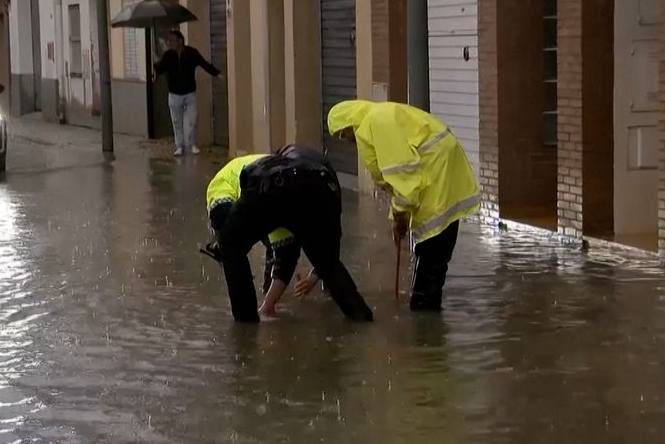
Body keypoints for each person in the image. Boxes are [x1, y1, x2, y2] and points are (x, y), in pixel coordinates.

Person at [297, 100, 479, 311]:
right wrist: (398, 215)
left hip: (438, 179)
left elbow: (405, 178)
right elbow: (401, 181)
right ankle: (428, 314)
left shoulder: (376, 123)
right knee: (433, 252)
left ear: (349, 123)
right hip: (441, 176)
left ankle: (425, 317)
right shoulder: (379, 118)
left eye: (343, 134)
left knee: (430, 253)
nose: (347, 141)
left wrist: (400, 216)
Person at [214, 147, 374, 323]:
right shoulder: (290, 164)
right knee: (328, 264)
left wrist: (224, 249)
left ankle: (246, 326)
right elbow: (287, 254)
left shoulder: (220, 184)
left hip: (275, 183)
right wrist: (268, 304)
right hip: (321, 187)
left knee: (231, 245)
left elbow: (223, 220)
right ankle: (361, 319)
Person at [205, 154, 300, 319]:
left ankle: (255, 311)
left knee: (276, 249)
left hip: (268, 181)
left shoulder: (284, 207)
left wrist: (267, 306)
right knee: (233, 244)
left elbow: (286, 258)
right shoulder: (226, 191)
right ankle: (250, 317)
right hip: (241, 182)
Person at [153, 29, 221, 156]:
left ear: (180, 41)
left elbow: (203, 63)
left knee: (193, 120)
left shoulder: (191, 53)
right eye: (168, 41)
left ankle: (193, 144)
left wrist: (216, 73)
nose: (169, 43)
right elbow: (160, 69)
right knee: (176, 122)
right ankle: (179, 146)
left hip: (189, 93)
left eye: (172, 40)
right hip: (174, 94)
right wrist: (156, 63)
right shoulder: (168, 55)